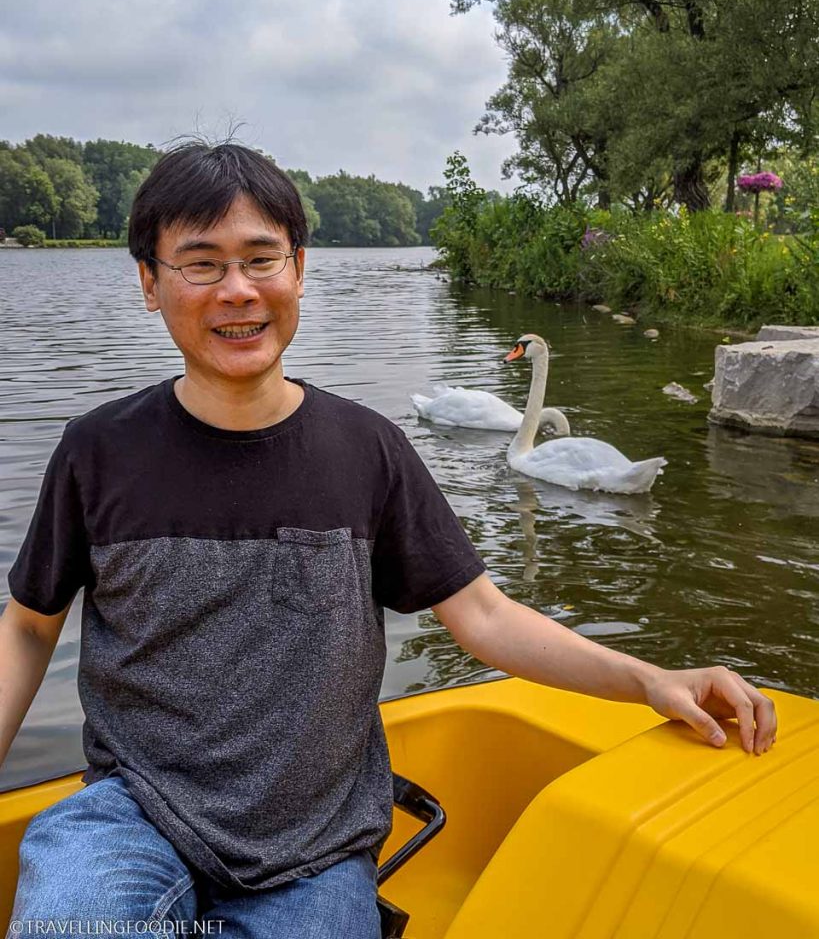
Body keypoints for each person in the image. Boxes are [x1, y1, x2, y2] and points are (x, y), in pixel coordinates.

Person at [0, 142, 777, 937]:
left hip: (313, 843)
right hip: (133, 813)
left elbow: (481, 615)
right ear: (149, 282)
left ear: (298, 269)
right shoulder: (99, 450)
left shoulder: (365, 450)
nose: (237, 290)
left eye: (261, 258)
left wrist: (649, 679)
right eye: (201, 264)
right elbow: (29, 626)